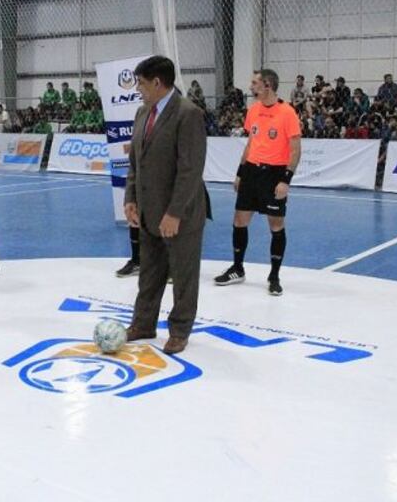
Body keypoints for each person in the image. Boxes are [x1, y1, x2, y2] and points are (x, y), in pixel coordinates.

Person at [123, 55, 210, 355]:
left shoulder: (189, 114)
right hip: (148, 211)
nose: (139, 90)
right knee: (150, 272)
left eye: (142, 84)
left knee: (183, 276)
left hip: (180, 214)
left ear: (158, 83)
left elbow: (190, 170)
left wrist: (174, 213)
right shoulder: (141, 114)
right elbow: (136, 162)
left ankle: (179, 330)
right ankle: (143, 323)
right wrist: (131, 198)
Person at [215, 68, 301, 296]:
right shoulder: (253, 110)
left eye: (255, 83)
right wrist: (240, 173)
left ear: (268, 86)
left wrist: (286, 180)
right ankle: (237, 268)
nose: (251, 87)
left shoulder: (287, 113)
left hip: (274, 175)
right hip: (252, 172)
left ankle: (274, 275)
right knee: (239, 220)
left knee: (276, 225)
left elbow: (295, 150)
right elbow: (251, 143)